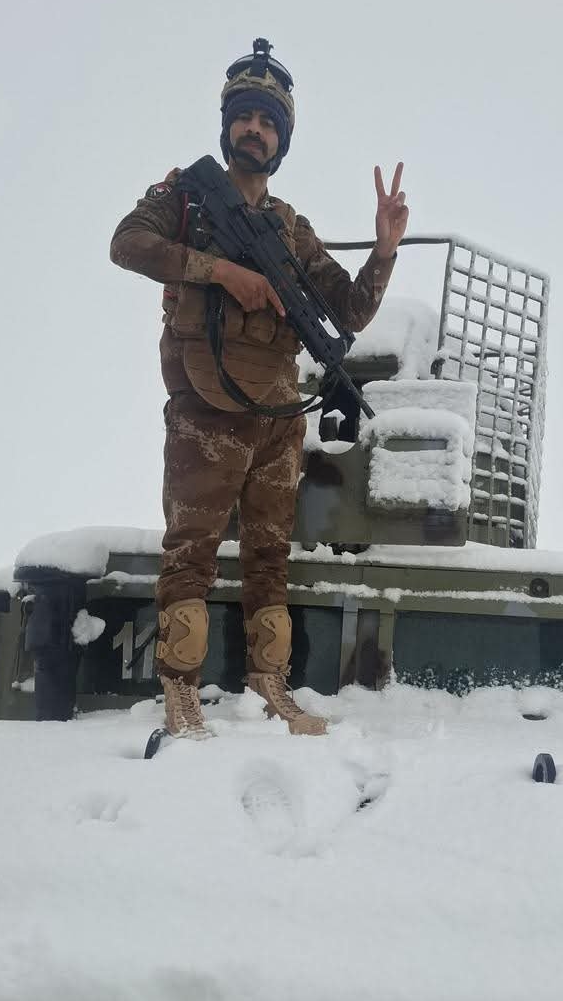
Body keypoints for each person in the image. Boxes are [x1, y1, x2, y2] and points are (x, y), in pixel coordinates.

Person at [110, 40, 408, 738]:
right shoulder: (187, 197)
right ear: (228, 125)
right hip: (207, 406)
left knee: (271, 560)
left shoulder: (290, 227)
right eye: (245, 117)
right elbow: (127, 244)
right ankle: (181, 694)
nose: (256, 130)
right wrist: (219, 272)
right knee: (191, 551)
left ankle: (271, 688)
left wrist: (385, 249)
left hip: (278, 414)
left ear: (283, 139)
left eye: (269, 123)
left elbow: (348, 310)